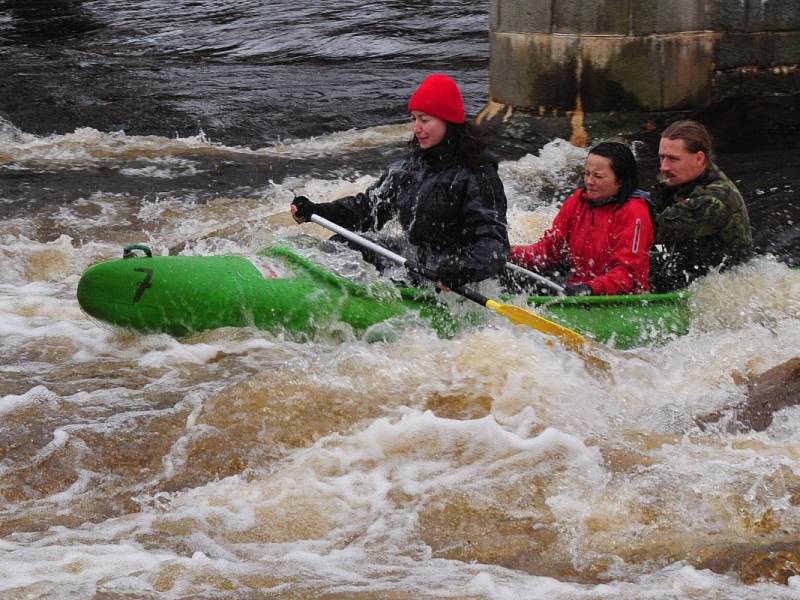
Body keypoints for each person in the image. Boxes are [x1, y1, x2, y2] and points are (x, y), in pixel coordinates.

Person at [290, 73, 509, 289]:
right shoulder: (408, 169)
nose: (416, 128)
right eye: (414, 119)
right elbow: (367, 210)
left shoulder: (477, 175)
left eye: (424, 120)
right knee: (343, 244)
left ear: (448, 122)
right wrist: (317, 211)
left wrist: (461, 271)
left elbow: (493, 244)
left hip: (450, 274)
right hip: (414, 259)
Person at [508, 141, 654, 296]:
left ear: (621, 180)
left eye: (598, 176)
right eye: (587, 173)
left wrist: (590, 288)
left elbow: (627, 275)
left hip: (617, 300)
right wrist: (507, 253)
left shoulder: (635, 211)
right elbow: (548, 251)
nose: (589, 182)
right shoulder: (577, 202)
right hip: (576, 290)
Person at [651, 119, 753, 291]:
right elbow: (658, 246)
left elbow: (653, 230)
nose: (664, 167)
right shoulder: (676, 183)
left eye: (673, 159)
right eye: (662, 157)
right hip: (688, 274)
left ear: (699, 158)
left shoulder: (714, 199)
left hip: (723, 290)